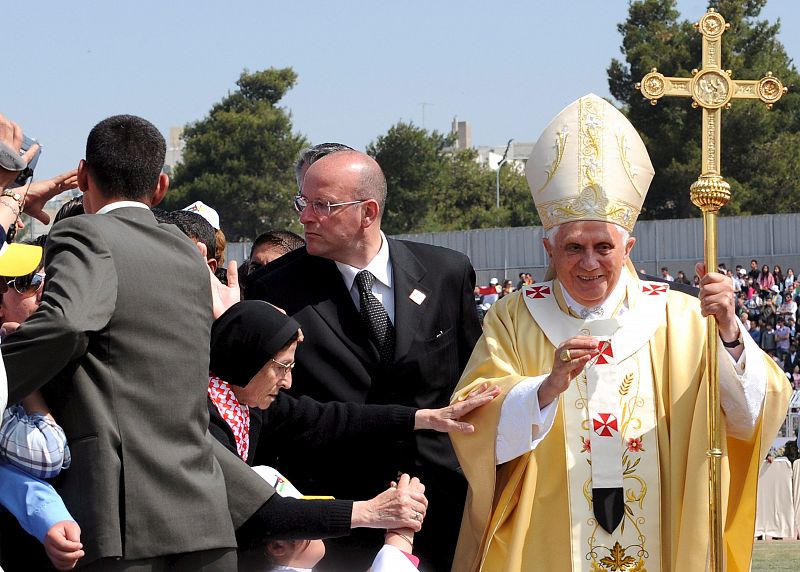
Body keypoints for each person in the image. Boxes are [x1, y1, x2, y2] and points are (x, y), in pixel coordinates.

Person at [448, 94, 792, 571]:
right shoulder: (514, 318)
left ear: (628, 244)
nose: (588, 263)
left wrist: (730, 334)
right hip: (549, 541)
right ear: (548, 246)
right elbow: (471, 418)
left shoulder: (684, 317)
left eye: (602, 246)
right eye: (573, 247)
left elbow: (752, 413)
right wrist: (543, 390)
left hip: (663, 532)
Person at [2, 114, 276, 570]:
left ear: (84, 175)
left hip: (124, 518)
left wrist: (4, 370)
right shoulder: (188, 254)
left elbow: (67, 325)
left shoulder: (83, 232)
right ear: (162, 185)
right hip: (205, 514)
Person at [246, 149, 482, 571]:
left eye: (323, 205)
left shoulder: (446, 272)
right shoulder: (274, 289)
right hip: (337, 515)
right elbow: (272, 407)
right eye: (303, 203)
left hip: (440, 506)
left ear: (367, 212)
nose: (305, 217)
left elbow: (475, 379)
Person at [207, 301, 496, 568]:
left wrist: (425, 418)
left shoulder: (242, 402)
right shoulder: (203, 420)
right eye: (281, 367)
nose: (288, 381)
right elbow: (262, 513)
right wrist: (371, 513)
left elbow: (329, 418)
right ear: (248, 358)